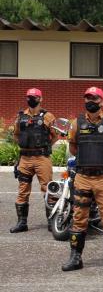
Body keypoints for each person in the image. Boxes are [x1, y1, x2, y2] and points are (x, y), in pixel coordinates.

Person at [62, 87, 103, 272]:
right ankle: (75, 258)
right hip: (83, 177)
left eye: (95, 98)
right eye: (88, 98)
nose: (91, 101)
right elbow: (74, 147)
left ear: (102, 102)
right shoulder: (76, 123)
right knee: (79, 218)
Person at [9, 88, 56, 233]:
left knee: (48, 190)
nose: (31, 99)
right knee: (23, 190)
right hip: (25, 159)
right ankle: (22, 223)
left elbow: (55, 135)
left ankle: (51, 222)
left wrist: (45, 146)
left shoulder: (48, 116)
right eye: (29, 96)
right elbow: (16, 135)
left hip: (42, 158)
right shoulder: (21, 116)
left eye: (34, 97)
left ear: (40, 99)